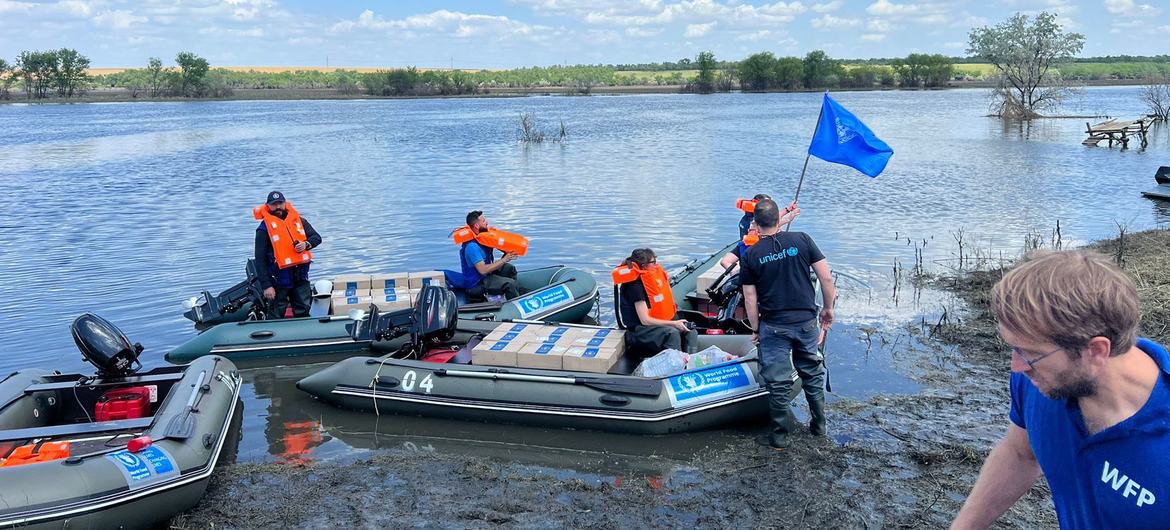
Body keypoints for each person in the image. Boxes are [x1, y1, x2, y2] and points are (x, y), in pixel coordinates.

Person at [951, 250, 1170, 529]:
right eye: (1014, 347)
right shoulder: (1039, 381)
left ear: (1095, 350)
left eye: (1030, 353)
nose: (1017, 366)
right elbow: (1020, 453)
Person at [741, 198, 836, 449]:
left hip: (773, 326)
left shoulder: (751, 255)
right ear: (778, 220)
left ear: (755, 224)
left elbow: (750, 299)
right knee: (812, 374)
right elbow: (825, 278)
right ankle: (819, 427)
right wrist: (827, 309)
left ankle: (780, 437)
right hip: (806, 321)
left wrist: (754, 328)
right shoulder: (802, 239)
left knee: (778, 381)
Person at [614, 248, 699, 355]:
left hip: (654, 326)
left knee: (689, 329)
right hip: (639, 331)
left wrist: (677, 322)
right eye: (653, 262)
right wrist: (674, 324)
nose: (656, 265)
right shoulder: (635, 287)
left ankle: (691, 361)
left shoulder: (651, 279)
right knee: (672, 333)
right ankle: (676, 365)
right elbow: (645, 320)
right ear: (643, 265)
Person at [254, 191, 322, 319]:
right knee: (276, 312)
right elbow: (260, 260)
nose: (278, 207)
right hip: (278, 280)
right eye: (274, 204)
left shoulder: (299, 221)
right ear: (268, 206)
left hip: (299, 276)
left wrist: (306, 244)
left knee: (303, 308)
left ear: (285, 203)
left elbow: (316, 238)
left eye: (280, 203)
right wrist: (266, 286)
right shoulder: (263, 230)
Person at [453, 210, 519, 302]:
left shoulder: (483, 238)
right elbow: (483, 270)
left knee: (509, 269)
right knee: (509, 284)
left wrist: (508, 251)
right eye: (483, 221)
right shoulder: (472, 247)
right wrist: (504, 259)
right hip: (476, 284)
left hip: (486, 276)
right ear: (476, 225)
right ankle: (515, 305)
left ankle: (513, 294)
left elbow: (501, 248)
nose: (487, 222)